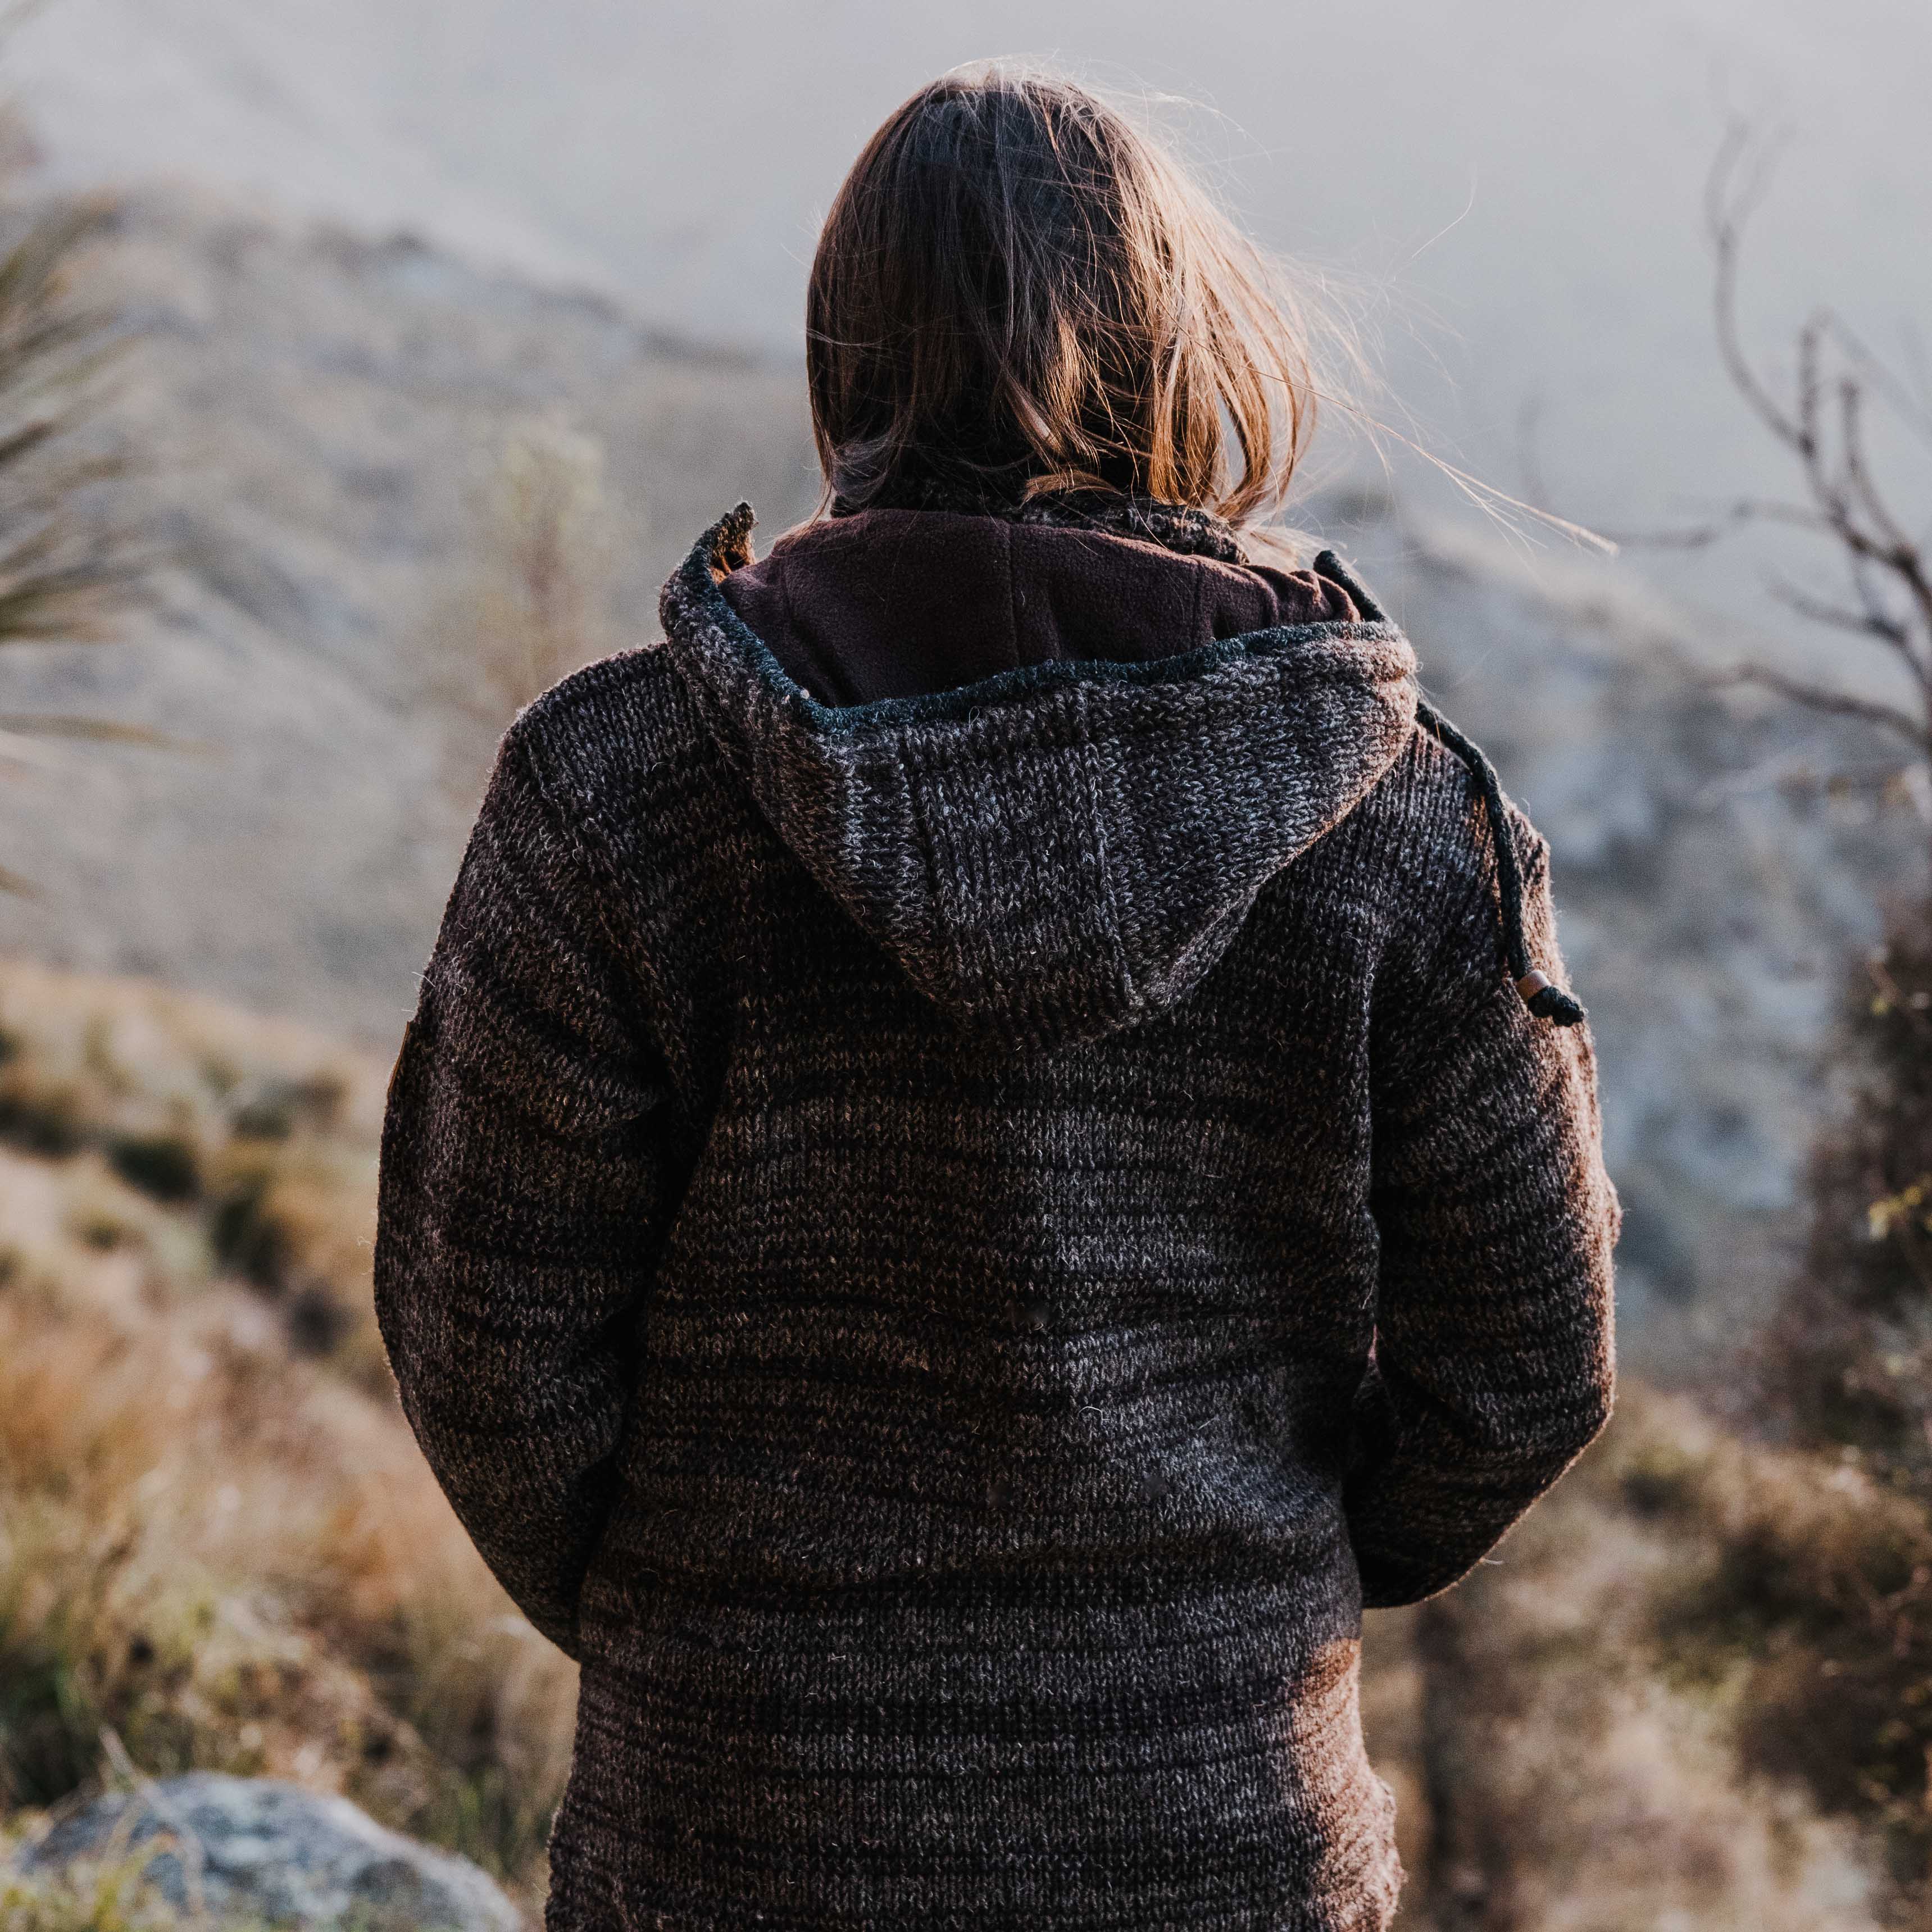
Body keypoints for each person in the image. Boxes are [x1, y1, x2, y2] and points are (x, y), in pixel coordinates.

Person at [375, 63, 1618, 1932]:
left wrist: (694, 1629)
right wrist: (1258, 1591)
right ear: (1192, 354)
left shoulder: (618, 792)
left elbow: (483, 1337)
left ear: (846, 360)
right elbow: (1530, 1360)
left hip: (741, 1831)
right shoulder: (1401, 826)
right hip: (1220, 1839)